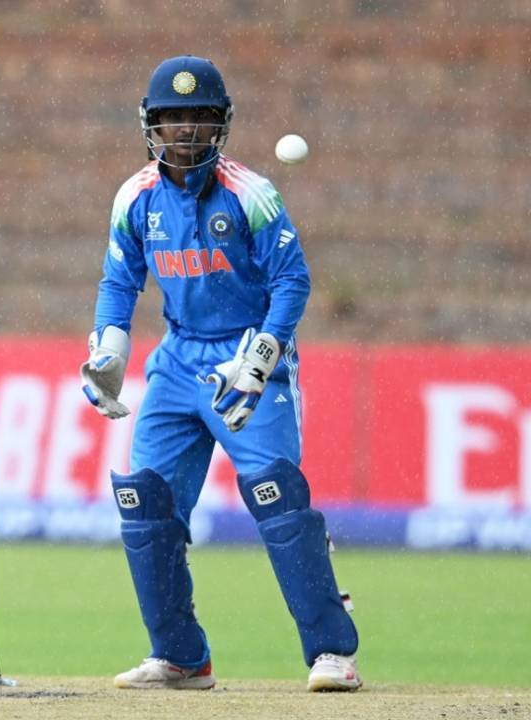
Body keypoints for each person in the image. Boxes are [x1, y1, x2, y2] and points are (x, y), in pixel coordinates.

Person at [80, 56, 361, 692]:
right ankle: (180, 657)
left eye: (200, 119)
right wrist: (110, 352)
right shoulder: (135, 197)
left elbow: (293, 281)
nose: (185, 132)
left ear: (222, 125)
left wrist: (260, 359)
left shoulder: (250, 194)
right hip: (178, 361)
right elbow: (120, 279)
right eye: (172, 119)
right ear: (150, 125)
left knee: (277, 502)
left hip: (247, 355)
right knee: (145, 506)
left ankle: (332, 650)